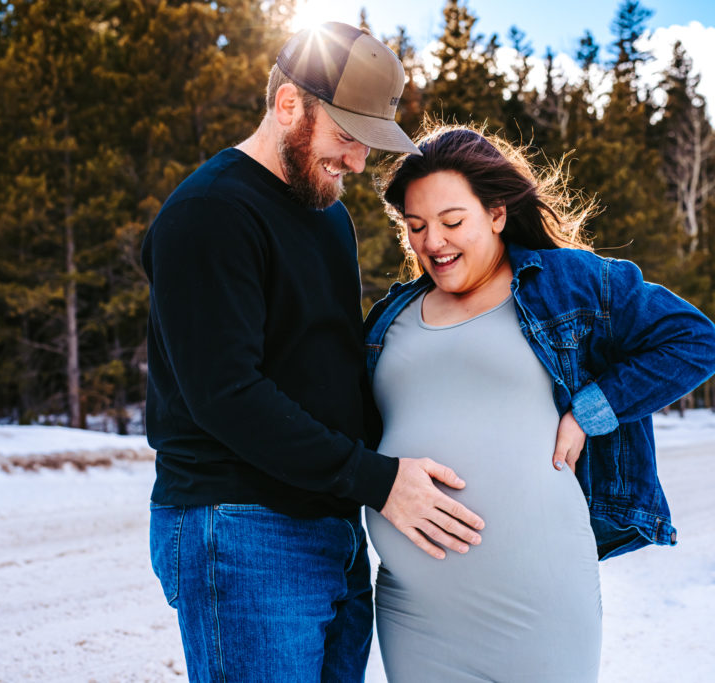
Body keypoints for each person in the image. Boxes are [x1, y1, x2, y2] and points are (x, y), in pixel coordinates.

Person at [142, 24, 483, 682]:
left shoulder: (328, 215)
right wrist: (379, 481)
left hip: (333, 520)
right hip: (240, 529)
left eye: (367, 142)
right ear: (289, 105)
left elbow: (334, 368)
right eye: (347, 137)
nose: (356, 162)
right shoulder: (210, 213)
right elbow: (227, 396)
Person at [362, 125, 715, 682]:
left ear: (498, 214)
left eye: (452, 222)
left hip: (537, 603)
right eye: (415, 227)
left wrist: (591, 409)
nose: (432, 241)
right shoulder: (390, 319)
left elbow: (697, 340)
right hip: (415, 610)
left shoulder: (565, 285)